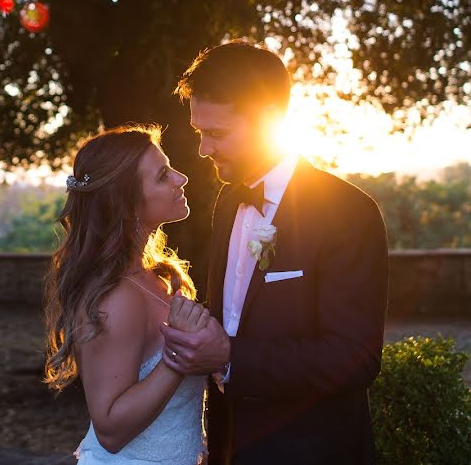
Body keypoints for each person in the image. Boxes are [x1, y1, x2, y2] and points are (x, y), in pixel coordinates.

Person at [160, 41, 389, 464]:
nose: (203, 150)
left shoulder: (348, 212)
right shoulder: (228, 204)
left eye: (217, 134)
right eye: (200, 133)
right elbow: (236, 312)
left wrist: (230, 356)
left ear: (267, 119)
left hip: (312, 451)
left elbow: (354, 359)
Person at [43, 124, 210, 465]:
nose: (181, 179)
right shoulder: (118, 297)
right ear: (127, 204)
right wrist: (179, 356)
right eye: (163, 175)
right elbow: (110, 428)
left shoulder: (155, 277)